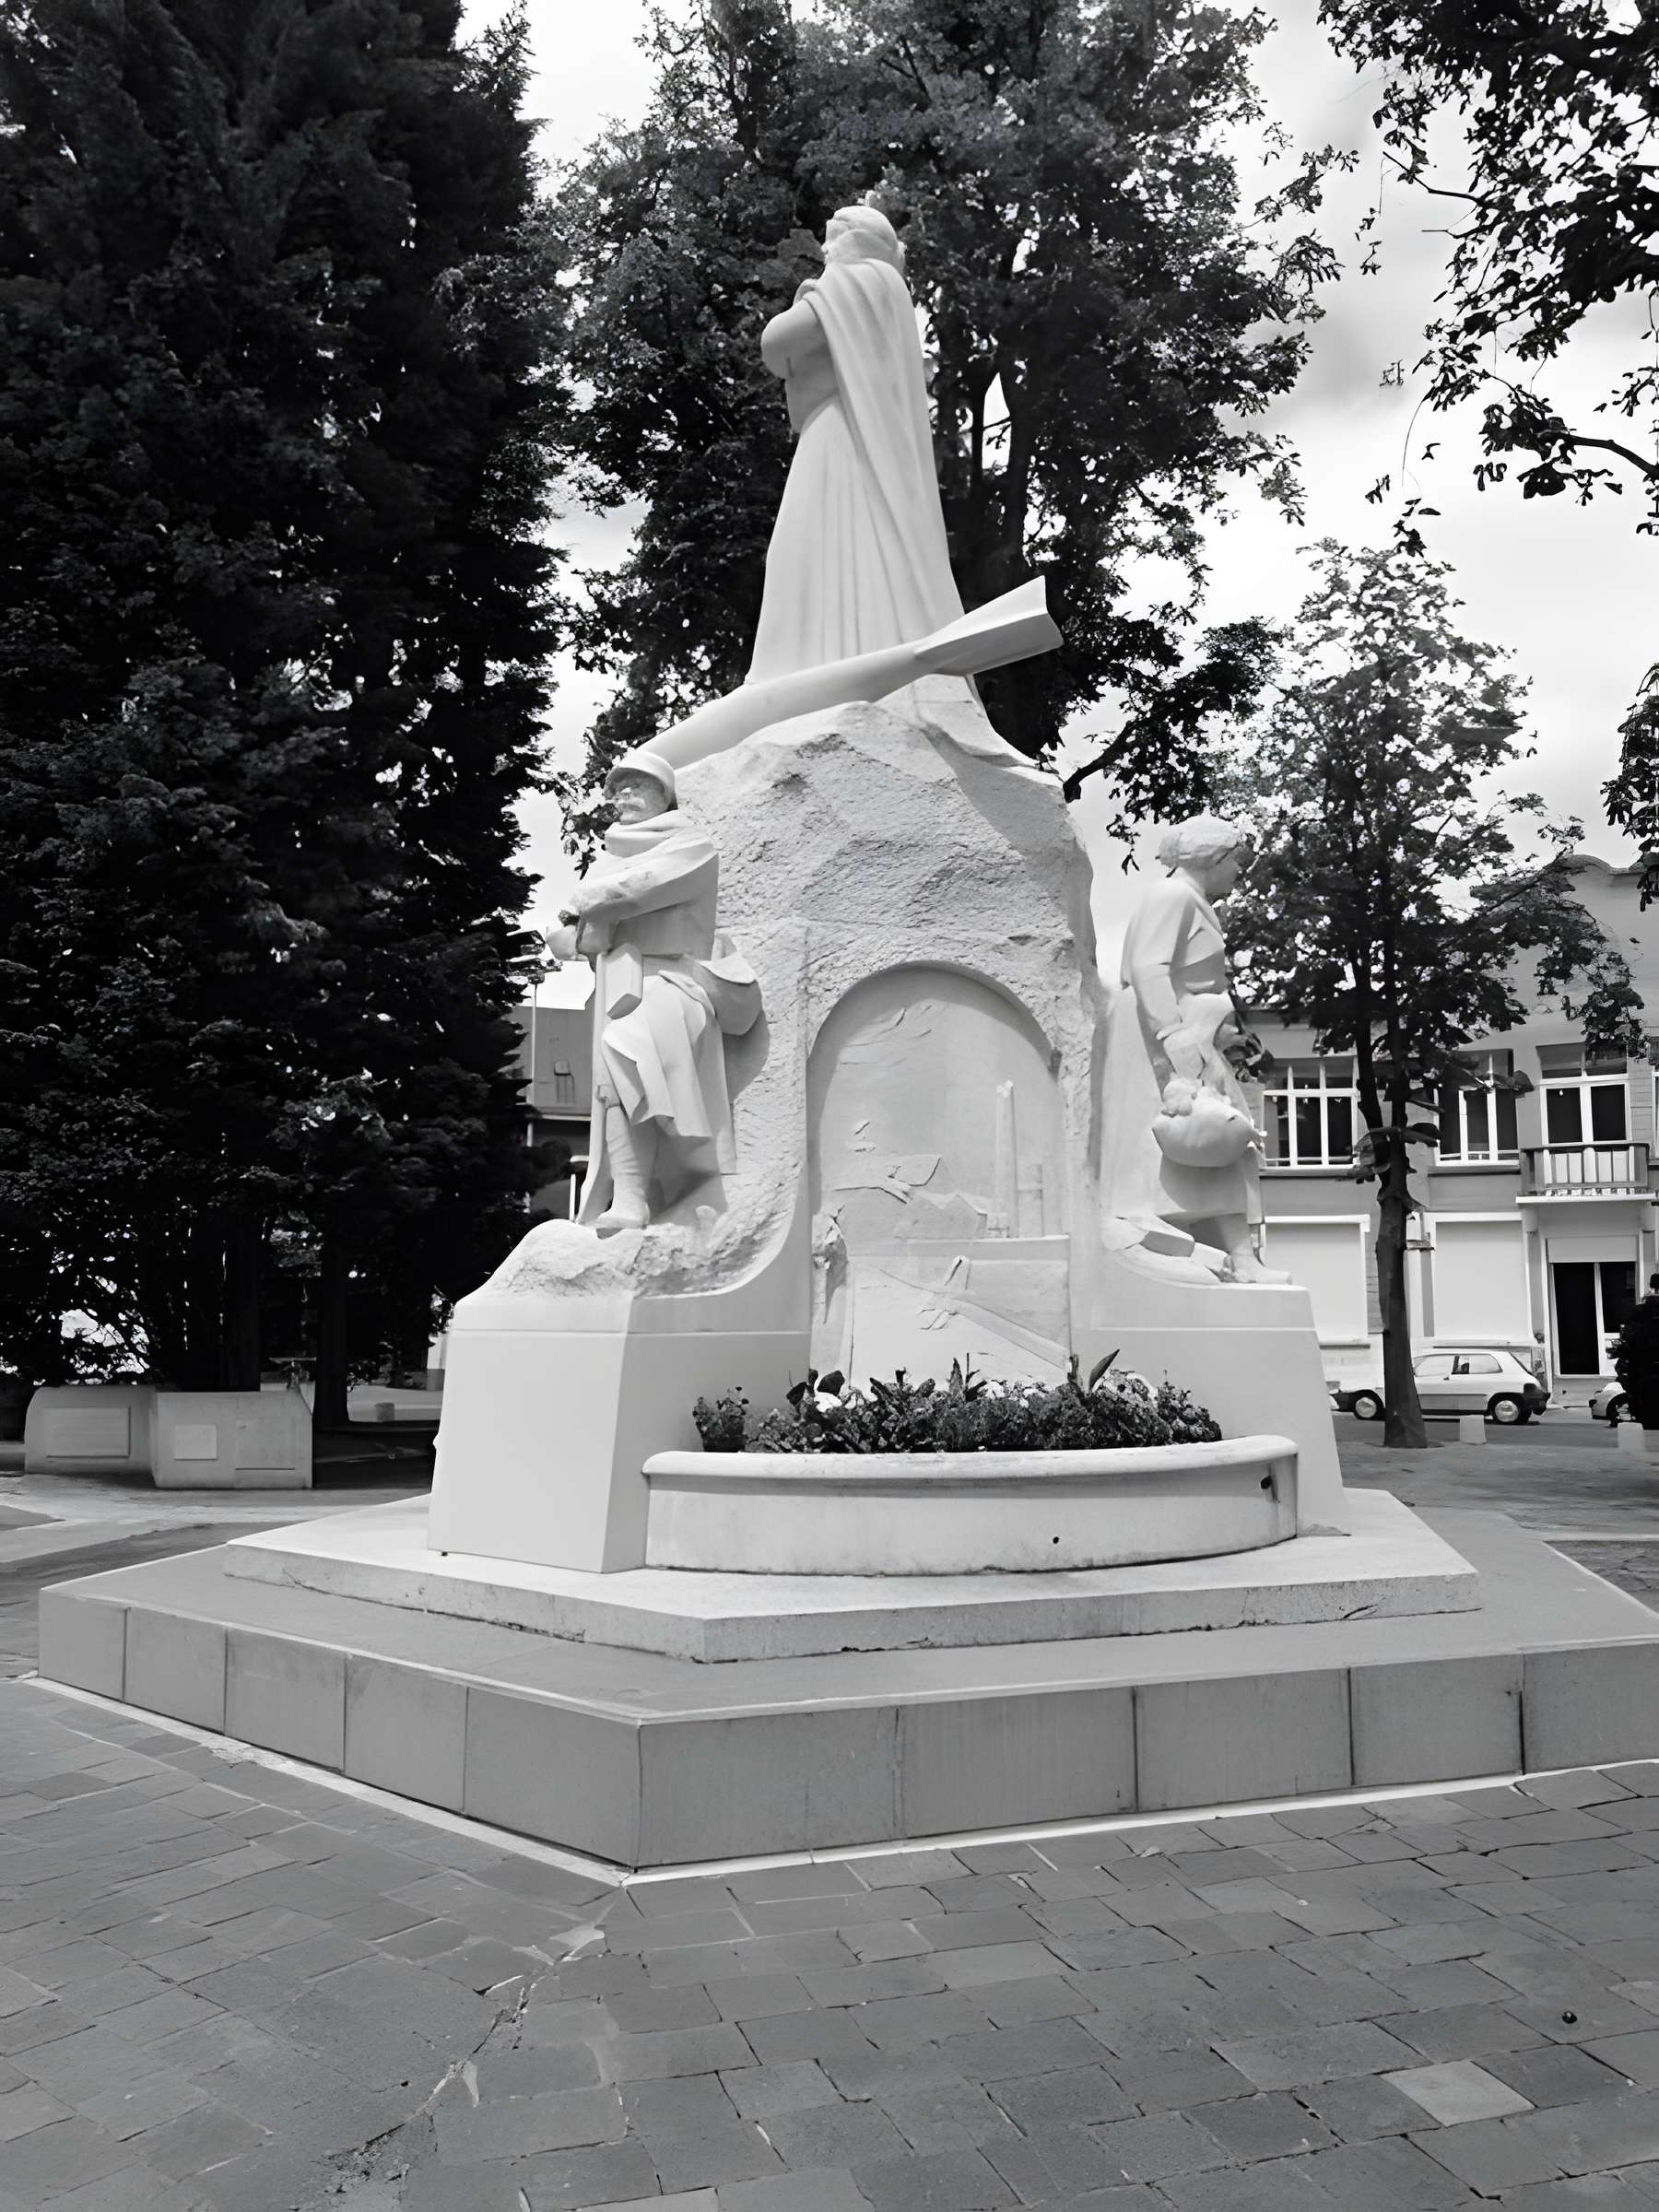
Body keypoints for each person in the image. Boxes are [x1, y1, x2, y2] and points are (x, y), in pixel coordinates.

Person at [751, 205, 1027, 766]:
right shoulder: (886, 294)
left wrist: (812, 291)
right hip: (846, 439)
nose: (825, 255)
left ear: (853, 243)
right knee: (825, 556)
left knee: (820, 553)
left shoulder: (863, 282)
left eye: (830, 244)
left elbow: (776, 344)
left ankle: (829, 679)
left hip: (842, 443)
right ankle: (827, 682)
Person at [545, 755, 758, 1235]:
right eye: (618, 788)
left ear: (665, 793)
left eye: (638, 784)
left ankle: (640, 1197)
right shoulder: (609, 858)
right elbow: (586, 939)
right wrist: (571, 936)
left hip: (676, 981)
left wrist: (578, 910)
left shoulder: (692, 846)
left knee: (626, 1047)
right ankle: (631, 1200)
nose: (625, 795)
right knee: (612, 1075)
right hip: (622, 985)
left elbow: (634, 892)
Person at [1099, 815, 1288, 1285]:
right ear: (1216, 857)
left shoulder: (1189, 899)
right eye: (1237, 862)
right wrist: (1173, 1038)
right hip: (1164, 1031)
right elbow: (1148, 966)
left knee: (1223, 1138)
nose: (1240, 873)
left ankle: (1241, 1257)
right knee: (1197, 1137)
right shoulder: (1175, 895)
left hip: (1185, 1029)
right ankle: (1175, 1243)